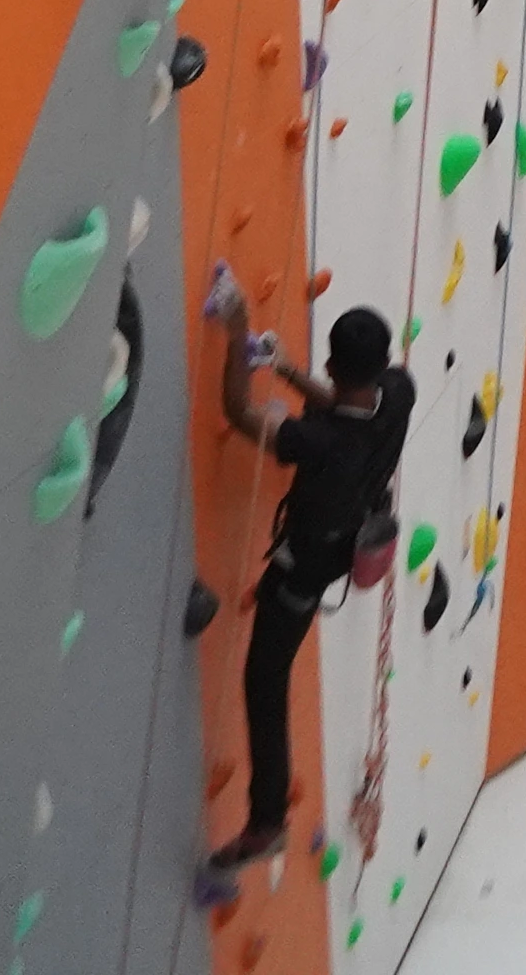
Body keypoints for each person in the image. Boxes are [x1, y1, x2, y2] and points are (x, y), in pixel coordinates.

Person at [206, 298, 418, 871]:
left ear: (331, 363)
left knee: (264, 683)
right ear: (384, 363)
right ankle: (266, 820)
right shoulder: (400, 392)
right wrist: (287, 370)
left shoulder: (315, 443)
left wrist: (238, 331)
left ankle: (268, 822)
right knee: (267, 683)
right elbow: (356, 408)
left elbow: (237, 409)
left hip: (300, 574)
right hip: (340, 543)